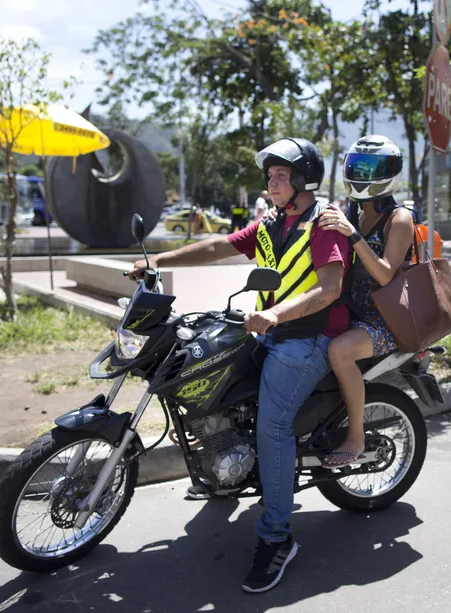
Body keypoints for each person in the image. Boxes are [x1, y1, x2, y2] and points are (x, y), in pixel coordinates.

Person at [129, 137, 350, 593]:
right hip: (270, 330)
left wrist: (275, 314)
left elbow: (329, 289)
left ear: (304, 179)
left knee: (273, 427)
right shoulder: (272, 222)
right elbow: (218, 248)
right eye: (269, 175)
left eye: (281, 175)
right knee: (208, 375)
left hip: (309, 336)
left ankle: (277, 536)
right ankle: (222, 469)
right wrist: (157, 260)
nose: (272, 182)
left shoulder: (323, 223)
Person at [316, 135, 416, 467]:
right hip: (351, 311)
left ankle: (356, 437)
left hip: (385, 321)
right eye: (358, 167)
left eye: (373, 168)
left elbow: (385, 274)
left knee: (339, 351)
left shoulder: (399, 219)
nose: (364, 175)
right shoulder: (353, 212)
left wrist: (353, 234)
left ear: (391, 172)